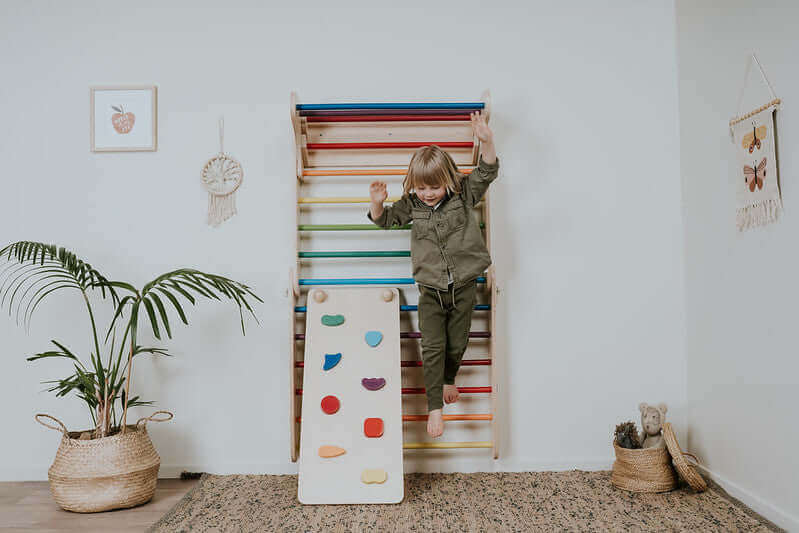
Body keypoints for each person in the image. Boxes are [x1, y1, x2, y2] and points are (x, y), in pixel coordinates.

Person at [367, 111, 499, 437]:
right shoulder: (412, 205)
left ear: (449, 181)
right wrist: (377, 204)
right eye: (422, 187)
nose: (428, 193)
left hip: (465, 284)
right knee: (433, 347)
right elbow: (386, 221)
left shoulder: (463, 195)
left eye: (435, 187)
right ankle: (434, 408)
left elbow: (487, 171)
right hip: (430, 288)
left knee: (457, 345)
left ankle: (449, 379)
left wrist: (487, 140)